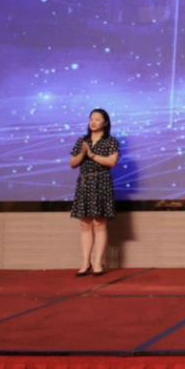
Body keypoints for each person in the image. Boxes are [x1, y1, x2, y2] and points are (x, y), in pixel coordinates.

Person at [68, 108, 120, 277]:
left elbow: (112, 162)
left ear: (105, 122)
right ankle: (85, 262)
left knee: (99, 223)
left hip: (101, 182)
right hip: (84, 183)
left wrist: (92, 155)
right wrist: (82, 154)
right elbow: (72, 163)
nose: (93, 122)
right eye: (91, 119)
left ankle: (98, 263)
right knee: (85, 224)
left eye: (97, 119)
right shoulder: (82, 141)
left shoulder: (111, 141)